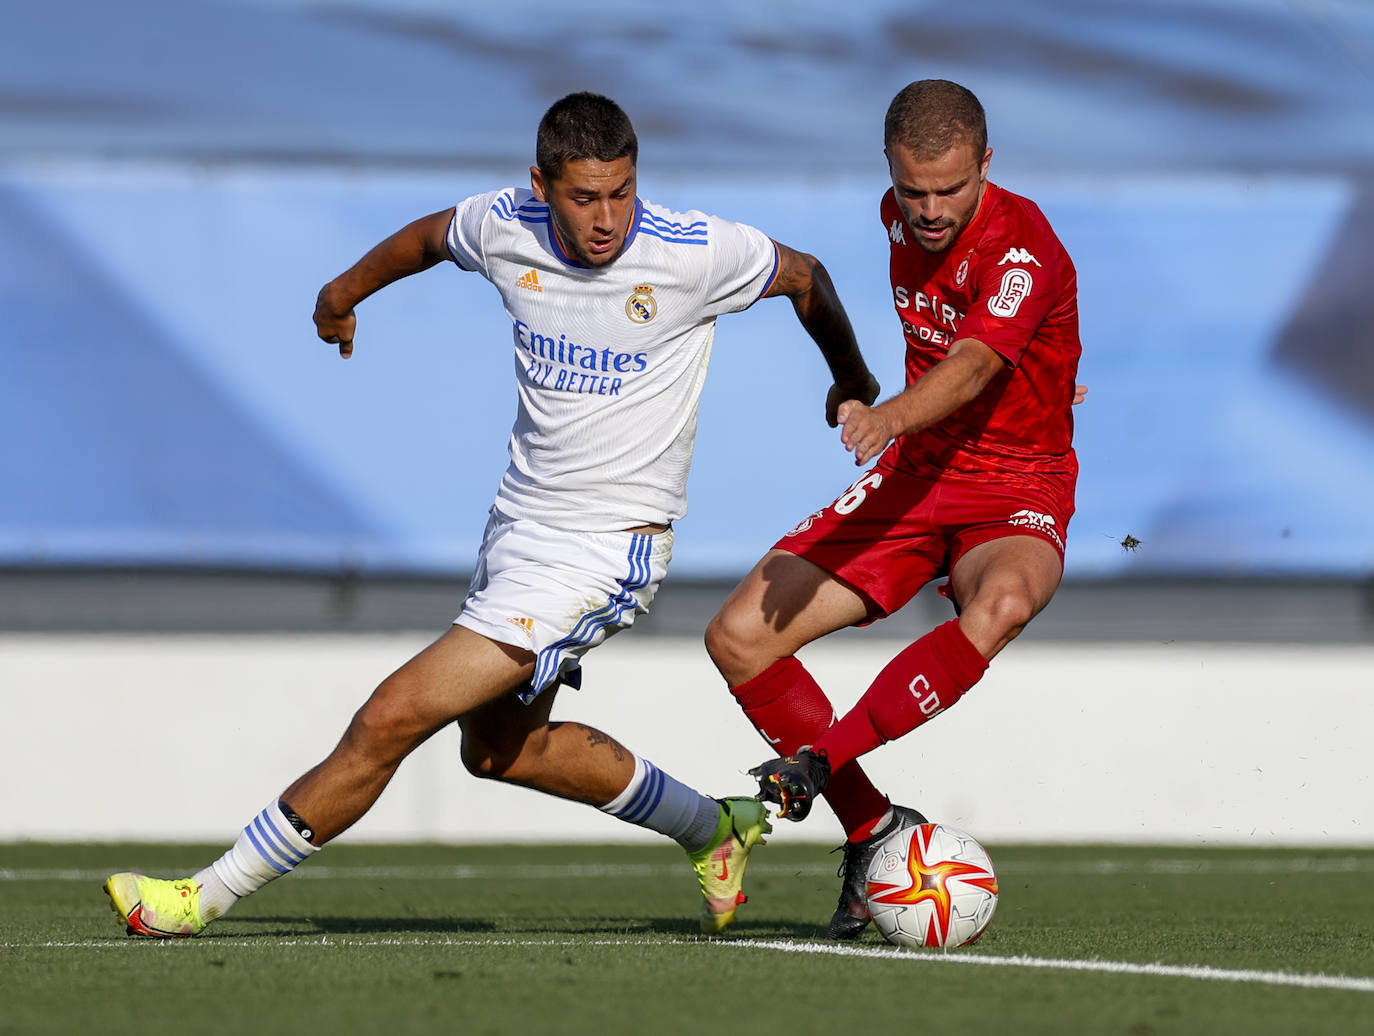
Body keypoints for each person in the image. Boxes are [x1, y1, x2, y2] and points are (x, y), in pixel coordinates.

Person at [103, 91, 881, 939]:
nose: (607, 217)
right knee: (499, 751)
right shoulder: (505, 225)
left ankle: (196, 900)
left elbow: (805, 275)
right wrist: (341, 291)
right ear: (541, 186)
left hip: (602, 553)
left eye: (622, 192)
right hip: (517, 532)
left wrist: (849, 379)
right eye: (585, 196)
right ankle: (713, 829)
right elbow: (433, 237)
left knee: (389, 716)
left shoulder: (693, 251)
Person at [704, 79, 1082, 940]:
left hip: (1015, 484)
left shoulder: (1022, 249)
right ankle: (878, 832)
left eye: (952, 189)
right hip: (919, 475)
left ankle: (822, 765)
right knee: (737, 637)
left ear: (987, 163)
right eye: (913, 190)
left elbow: (980, 361)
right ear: (890, 172)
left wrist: (888, 415)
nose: (931, 210)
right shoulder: (894, 214)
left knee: (1005, 603)